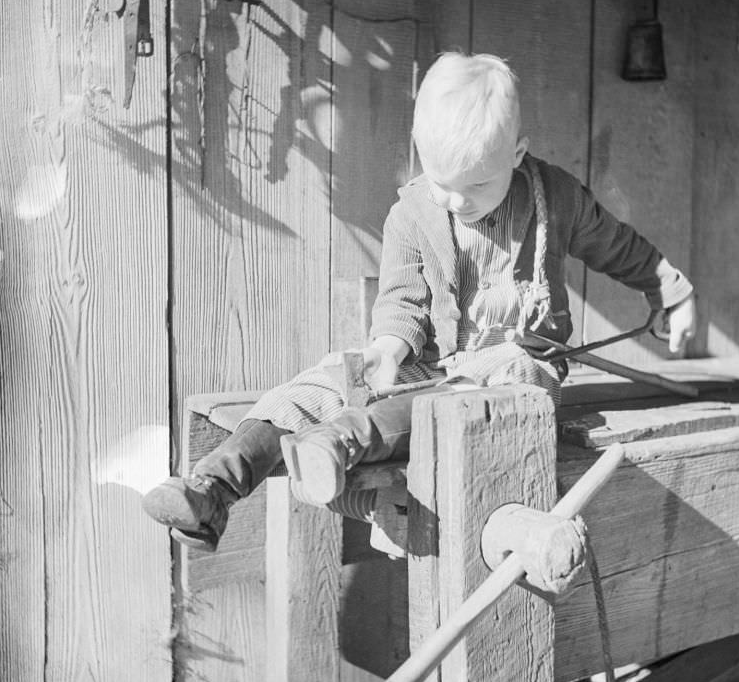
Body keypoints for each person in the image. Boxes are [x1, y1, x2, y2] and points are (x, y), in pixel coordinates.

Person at [142, 51, 696, 551]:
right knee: (322, 381)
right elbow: (403, 297)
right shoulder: (412, 214)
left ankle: (339, 443)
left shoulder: (557, 200)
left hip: (509, 366)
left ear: (517, 154)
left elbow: (619, 247)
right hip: (426, 360)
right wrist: (386, 347)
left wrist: (670, 292)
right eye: (440, 182)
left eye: (476, 186)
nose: (457, 200)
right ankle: (211, 491)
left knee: (493, 387)